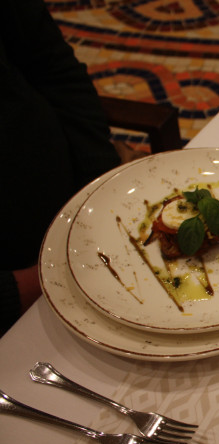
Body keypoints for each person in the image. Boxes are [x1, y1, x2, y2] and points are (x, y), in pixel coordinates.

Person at [1, 0, 122, 335]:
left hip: (79, 208)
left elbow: (53, 69)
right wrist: (24, 287)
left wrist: (100, 184)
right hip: (22, 293)